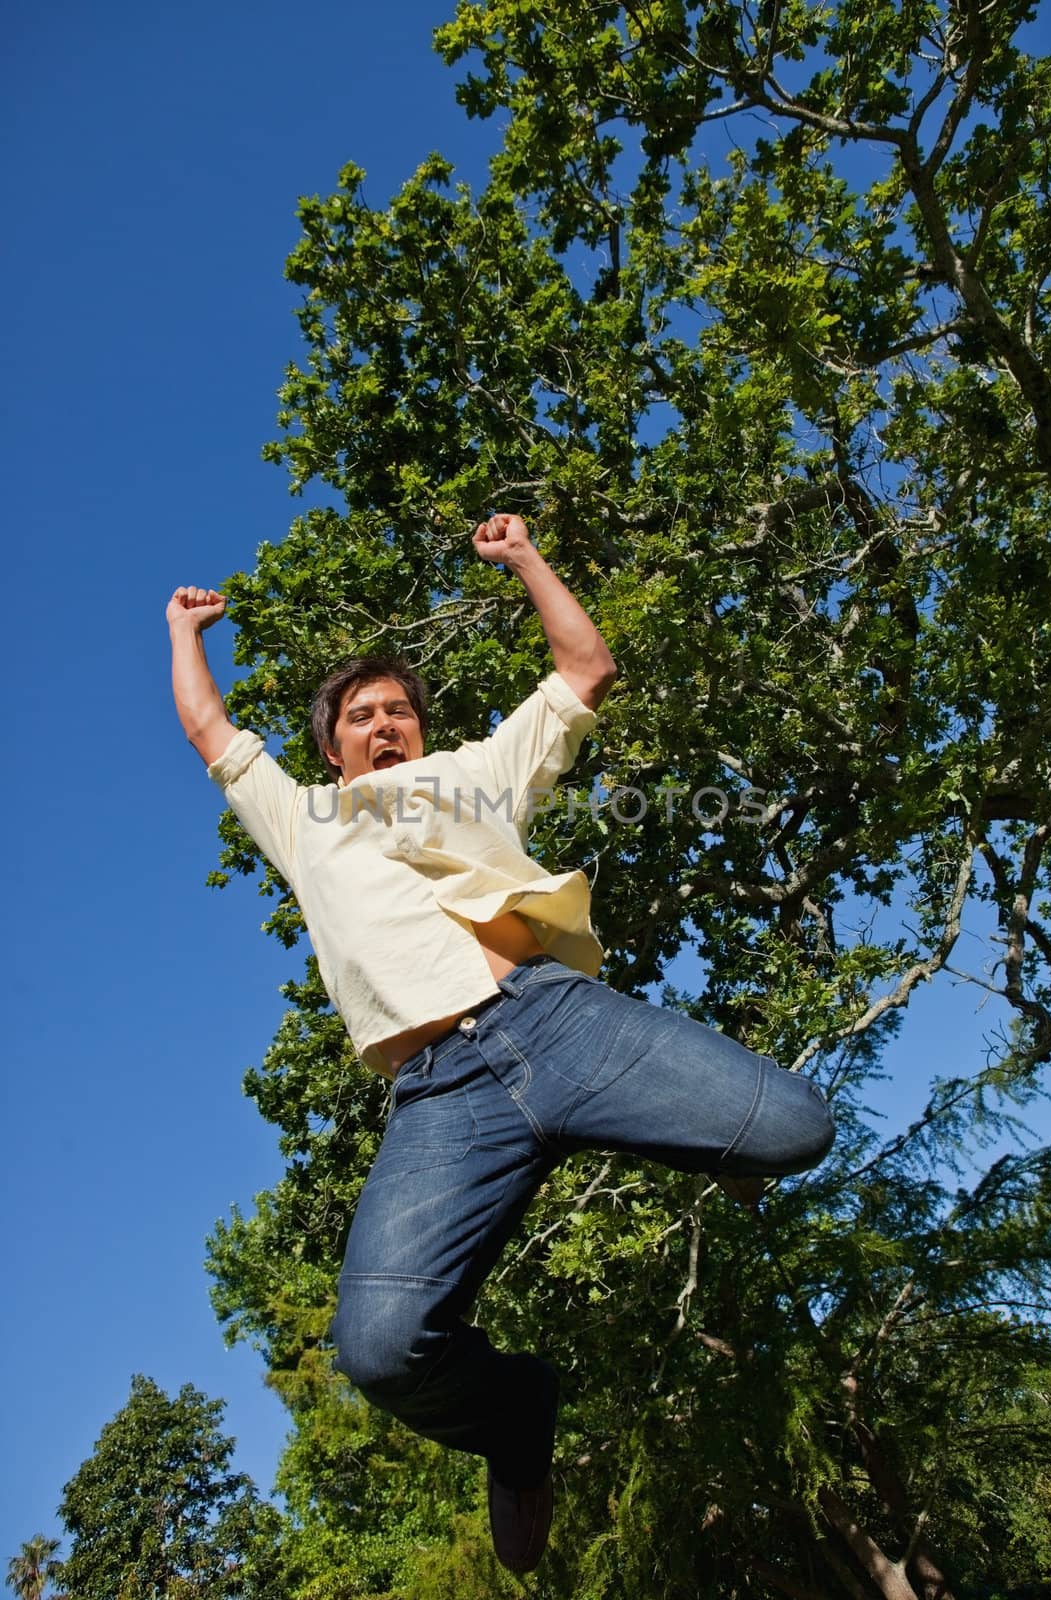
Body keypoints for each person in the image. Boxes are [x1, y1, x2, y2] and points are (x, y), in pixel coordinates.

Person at [167, 513, 835, 1574]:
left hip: (553, 1021)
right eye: (360, 716)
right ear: (328, 744)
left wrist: (523, 557)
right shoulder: (299, 820)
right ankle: (519, 1417)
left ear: (420, 730)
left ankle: (688, 1136)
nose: (383, 724)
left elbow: (586, 664)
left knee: (798, 1129)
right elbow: (211, 732)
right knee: (380, 1353)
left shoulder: (474, 773)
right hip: (443, 1097)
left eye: (398, 710)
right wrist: (183, 632)